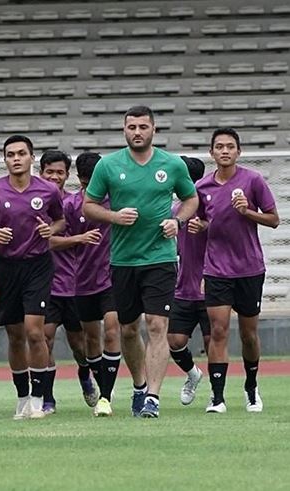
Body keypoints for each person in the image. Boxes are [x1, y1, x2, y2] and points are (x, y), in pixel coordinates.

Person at [83, 105, 198, 418]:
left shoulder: (172, 165)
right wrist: (113, 217)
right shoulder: (108, 165)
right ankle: (138, 385)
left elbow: (191, 198)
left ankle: (153, 398)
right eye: (131, 127)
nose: (137, 132)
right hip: (123, 260)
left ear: (153, 130)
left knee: (158, 325)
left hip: (160, 258)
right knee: (129, 330)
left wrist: (179, 221)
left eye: (142, 127)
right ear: (124, 130)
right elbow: (88, 206)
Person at [0, 135, 65, 420]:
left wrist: (52, 231)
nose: (16, 158)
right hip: (7, 267)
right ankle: (22, 397)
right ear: (5, 159)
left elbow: (60, 220)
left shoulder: (48, 190)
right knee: (14, 335)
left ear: (31, 157)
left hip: (38, 266)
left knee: (35, 331)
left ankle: (38, 398)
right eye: (10, 154)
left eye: (21, 153)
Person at [194, 128, 279, 414]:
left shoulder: (253, 180)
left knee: (248, 334)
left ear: (238, 152)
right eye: (219, 146)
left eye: (230, 146)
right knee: (218, 331)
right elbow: (206, 222)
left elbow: (274, 220)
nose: (225, 151)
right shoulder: (202, 187)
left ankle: (252, 387)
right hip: (217, 269)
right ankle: (217, 397)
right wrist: (199, 226)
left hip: (249, 268)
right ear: (212, 153)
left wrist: (247, 212)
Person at [39, 150, 98, 414]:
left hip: (74, 284)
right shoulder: (33, 203)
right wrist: (76, 240)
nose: (54, 177)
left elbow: (81, 240)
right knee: (44, 339)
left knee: (79, 346)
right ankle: (47, 397)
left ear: (67, 175)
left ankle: (85, 375)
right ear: (41, 173)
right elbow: (44, 241)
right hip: (45, 284)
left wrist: (75, 240)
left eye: (59, 172)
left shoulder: (73, 205)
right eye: (49, 172)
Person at [67, 152, 122, 417]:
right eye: (87, 181)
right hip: (81, 281)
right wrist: (78, 239)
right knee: (90, 340)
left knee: (112, 331)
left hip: (112, 278)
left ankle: (107, 396)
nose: (92, 186)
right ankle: (102, 389)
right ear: (80, 179)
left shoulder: (116, 201)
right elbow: (52, 240)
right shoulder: (71, 205)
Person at [167, 156, 210, 406]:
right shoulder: (176, 210)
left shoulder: (209, 205)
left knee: (212, 341)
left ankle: (217, 393)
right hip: (183, 286)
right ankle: (193, 374)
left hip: (211, 283)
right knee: (174, 341)